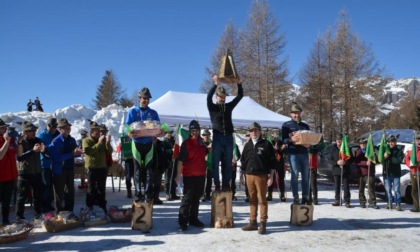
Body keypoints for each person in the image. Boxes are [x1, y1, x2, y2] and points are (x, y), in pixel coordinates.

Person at [207, 75, 243, 192]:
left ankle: (226, 183)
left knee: (228, 162)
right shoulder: (212, 107)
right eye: (220, 97)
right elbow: (208, 97)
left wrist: (239, 83)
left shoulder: (228, 107)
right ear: (216, 97)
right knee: (215, 162)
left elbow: (240, 96)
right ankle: (217, 184)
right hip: (217, 137)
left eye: (224, 97)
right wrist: (215, 85)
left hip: (228, 137)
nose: (222, 99)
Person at [126, 87, 162, 202]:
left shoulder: (153, 113)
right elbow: (126, 126)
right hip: (136, 143)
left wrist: (160, 132)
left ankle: (147, 193)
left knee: (148, 170)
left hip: (149, 143)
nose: (146, 100)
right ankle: (137, 194)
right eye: (144, 98)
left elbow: (159, 127)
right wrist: (128, 132)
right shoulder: (132, 111)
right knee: (137, 170)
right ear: (139, 98)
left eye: (147, 98)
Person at [240, 122, 275, 235]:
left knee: (262, 200)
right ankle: (252, 222)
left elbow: (272, 162)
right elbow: (243, 161)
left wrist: (271, 176)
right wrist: (242, 175)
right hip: (249, 175)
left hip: (261, 176)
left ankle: (263, 223)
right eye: (251, 131)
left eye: (255, 130)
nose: (253, 133)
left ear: (260, 132)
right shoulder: (247, 145)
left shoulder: (266, 144)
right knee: (252, 199)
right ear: (249, 133)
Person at [175, 120, 207, 231]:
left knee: (196, 199)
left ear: (199, 131)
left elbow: (205, 155)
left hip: (201, 175)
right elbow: (180, 160)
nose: (194, 132)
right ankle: (183, 221)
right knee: (187, 199)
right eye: (192, 130)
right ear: (190, 131)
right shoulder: (186, 143)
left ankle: (193, 218)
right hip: (189, 175)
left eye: (196, 130)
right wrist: (178, 174)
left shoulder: (202, 142)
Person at [49, 118, 83, 213]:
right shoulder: (56, 141)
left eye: (68, 127)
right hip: (59, 170)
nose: (68, 129)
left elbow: (76, 152)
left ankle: (69, 212)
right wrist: (72, 153)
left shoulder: (72, 139)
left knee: (70, 192)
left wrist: (79, 151)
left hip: (70, 168)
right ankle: (59, 213)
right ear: (60, 129)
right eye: (65, 128)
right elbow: (56, 158)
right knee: (59, 193)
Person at [281, 103, 311, 204]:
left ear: (300, 114)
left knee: (305, 176)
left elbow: (309, 139)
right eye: (294, 113)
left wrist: (309, 144)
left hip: (304, 153)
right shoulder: (286, 125)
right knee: (294, 175)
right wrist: (290, 139)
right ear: (291, 114)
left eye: (298, 113)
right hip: (293, 154)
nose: (296, 115)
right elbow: (283, 140)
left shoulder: (305, 125)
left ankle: (305, 196)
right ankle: (295, 196)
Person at [16, 121, 44, 220]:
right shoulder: (20, 141)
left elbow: (45, 153)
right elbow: (19, 158)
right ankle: (19, 218)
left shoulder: (37, 140)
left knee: (38, 195)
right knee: (21, 197)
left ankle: (38, 215)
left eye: (35, 130)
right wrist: (33, 151)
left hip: (36, 172)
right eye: (32, 130)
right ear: (26, 132)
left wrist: (44, 150)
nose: (34, 132)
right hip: (25, 173)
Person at [83, 121, 113, 214]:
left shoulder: (102, 140)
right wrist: (99, 143)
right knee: (91, 188)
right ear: (91, 131)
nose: (98, 132)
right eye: (96, 130)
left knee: (101, 188)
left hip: (102, 167)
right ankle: (90, 206)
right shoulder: (86, 140)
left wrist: (107, 143)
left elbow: (109, 152)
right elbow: (89, 152)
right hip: (92, 167)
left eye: (99, 130)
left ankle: (102, 206)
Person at [36, 118, 60, 213]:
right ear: (47, 126)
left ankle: (49, 203)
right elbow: (39, 149)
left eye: (54, 127)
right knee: (45, 185)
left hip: (54, 164)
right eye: (50, 126)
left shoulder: (58, 134)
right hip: (44, 164)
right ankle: (44, 205)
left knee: (51, 185)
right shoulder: (41, 135)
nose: (52, 128)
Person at [0, 119, 18, 225]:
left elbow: (15, 154)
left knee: (7, 202)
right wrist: (6, 142)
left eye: (5, 127)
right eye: (2, 128)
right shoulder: (6, 140)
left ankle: (6, 221)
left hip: (10, 176)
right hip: (1, 177)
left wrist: (19, 141)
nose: (5, 129)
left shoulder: (9, 139)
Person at [329, 133, 352, 208]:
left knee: (346, 187)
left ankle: (347, 201)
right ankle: (337, 200)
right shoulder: (333, 148)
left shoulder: (347, 148)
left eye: (340, 140)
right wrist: (336, 162)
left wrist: (345, 162)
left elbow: (351, 159)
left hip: (345, 170)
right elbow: (329, 159)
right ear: (336, 141)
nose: (339, 141)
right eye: (338, 140)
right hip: (336, 170)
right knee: (337, 186)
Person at [354, 138, 378, 209]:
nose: (362, 145)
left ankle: (372, 202)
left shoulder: (371, 151)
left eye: (364, 143)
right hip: (361, 172)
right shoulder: (357, 152)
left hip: (370, 172)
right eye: (361, 144)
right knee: (361, 188)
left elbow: (376, 161)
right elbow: (357, 162)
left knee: (371, 188)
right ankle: (362, 202)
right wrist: (365, 163)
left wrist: (373, 158)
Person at [383, 135, 404, 210]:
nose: (391, 143)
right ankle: (389, 203)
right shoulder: (385, 151)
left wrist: (390, 156)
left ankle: (398, 204)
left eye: (392, 142)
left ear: (395, 142)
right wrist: (384, 157)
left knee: (396, 190)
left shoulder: (399, 151)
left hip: (395, 174)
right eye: (390, 142)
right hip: (387, 173)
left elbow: (398, 161)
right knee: (388, 190)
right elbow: (381, 161)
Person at [405, 132, 420, 212]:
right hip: (414, 172)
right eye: (417, 139)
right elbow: (406, 159)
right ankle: (416, 206)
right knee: (414, 190)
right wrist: (410, 165)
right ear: (415, 140)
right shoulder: (411, 149)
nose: (419, 141)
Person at [162, 129, 179, 201]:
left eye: (170, 133)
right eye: (168, 133)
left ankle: (173, 193)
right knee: (168, 180)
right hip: (168, 163)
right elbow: (163, 152)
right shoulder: (164, 142)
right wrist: (171, 151)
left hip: (174, 162)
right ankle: (167, 193)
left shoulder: (173, 141)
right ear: (165, 134)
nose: (169, 135)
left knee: (174, 179)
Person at [201, 129, 213, 202]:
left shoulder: (212, 143)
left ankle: (208, 194)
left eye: (207, 135)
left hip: (210, 163)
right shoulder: (201, 143)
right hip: (202, 164)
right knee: (202, 180)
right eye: (204, 135)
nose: (206, 136)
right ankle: (202, 194)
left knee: (209, 180)